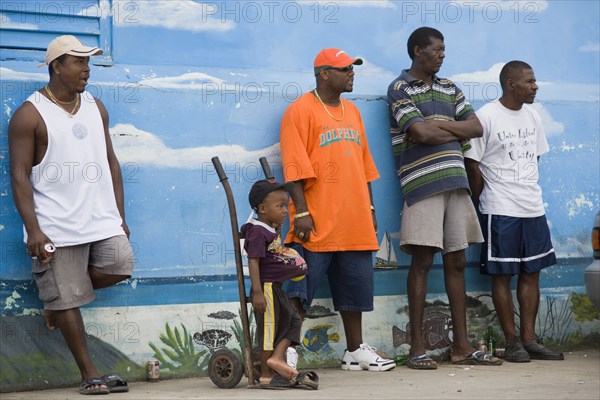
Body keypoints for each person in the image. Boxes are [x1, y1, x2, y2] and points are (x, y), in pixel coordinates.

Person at [8, 35, 134, 395]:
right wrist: (34, 230)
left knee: (121, 264)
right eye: (78, 62)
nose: (86, 68)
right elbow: (19, 175)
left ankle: (59, 303)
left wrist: (119, 213)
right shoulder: (30, 115)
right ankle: (89, 373)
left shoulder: (96, 106)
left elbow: (110, 162)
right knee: (66, 296)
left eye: (88, 61)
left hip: (101, 218)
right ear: (56, 67)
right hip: (55, 226)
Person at [386, 27, 502, 369]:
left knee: (457, 262)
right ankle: (417, 349)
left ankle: (462, 347)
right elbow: (419, 132)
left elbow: (476, 127)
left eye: (444, 49)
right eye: (437, 49)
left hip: (456, 181)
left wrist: (442, 123)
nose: (442, 54)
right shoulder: (399, 88)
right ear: (417, 51)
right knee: (422, 262)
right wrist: (451, 124)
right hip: (422, 185)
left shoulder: (450, 87)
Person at [280, 48, 395, 372]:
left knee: (355, 290)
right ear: (324, 74)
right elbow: (293, 166)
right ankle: (288, 349)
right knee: (299, 291)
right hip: (316, 219)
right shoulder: (300, 111)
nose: (352, 73)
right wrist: (300, 212)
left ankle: (355, 350)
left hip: (354, 218)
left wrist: (370, 207)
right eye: (345, 69)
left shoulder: (353, 112)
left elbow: (365, 166)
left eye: (352, 68)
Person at [464, 61, 564, 362]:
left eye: (535, 81)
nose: (535, 86)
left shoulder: (533, 116)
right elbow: (473, 164)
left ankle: (529, 339)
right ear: (511, 84)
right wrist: (483, 200)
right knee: (503, 275)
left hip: (532, 207)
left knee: (532, 273)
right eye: (529, 81)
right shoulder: (486, 116)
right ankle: (512, 343)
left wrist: (526, 190)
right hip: (500, 208)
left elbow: (535, 159)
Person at [241, 179, 318, 389]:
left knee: (294, 320)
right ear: (263, 209)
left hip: (276, 288)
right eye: (280, 206)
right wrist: (257, 292)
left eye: (286, 205)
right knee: (268, 329)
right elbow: (253, 261)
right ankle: (266, 374)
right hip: (265, 288)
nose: (285, 210)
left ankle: (276, 358)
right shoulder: (257, 231)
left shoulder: (270, 227)